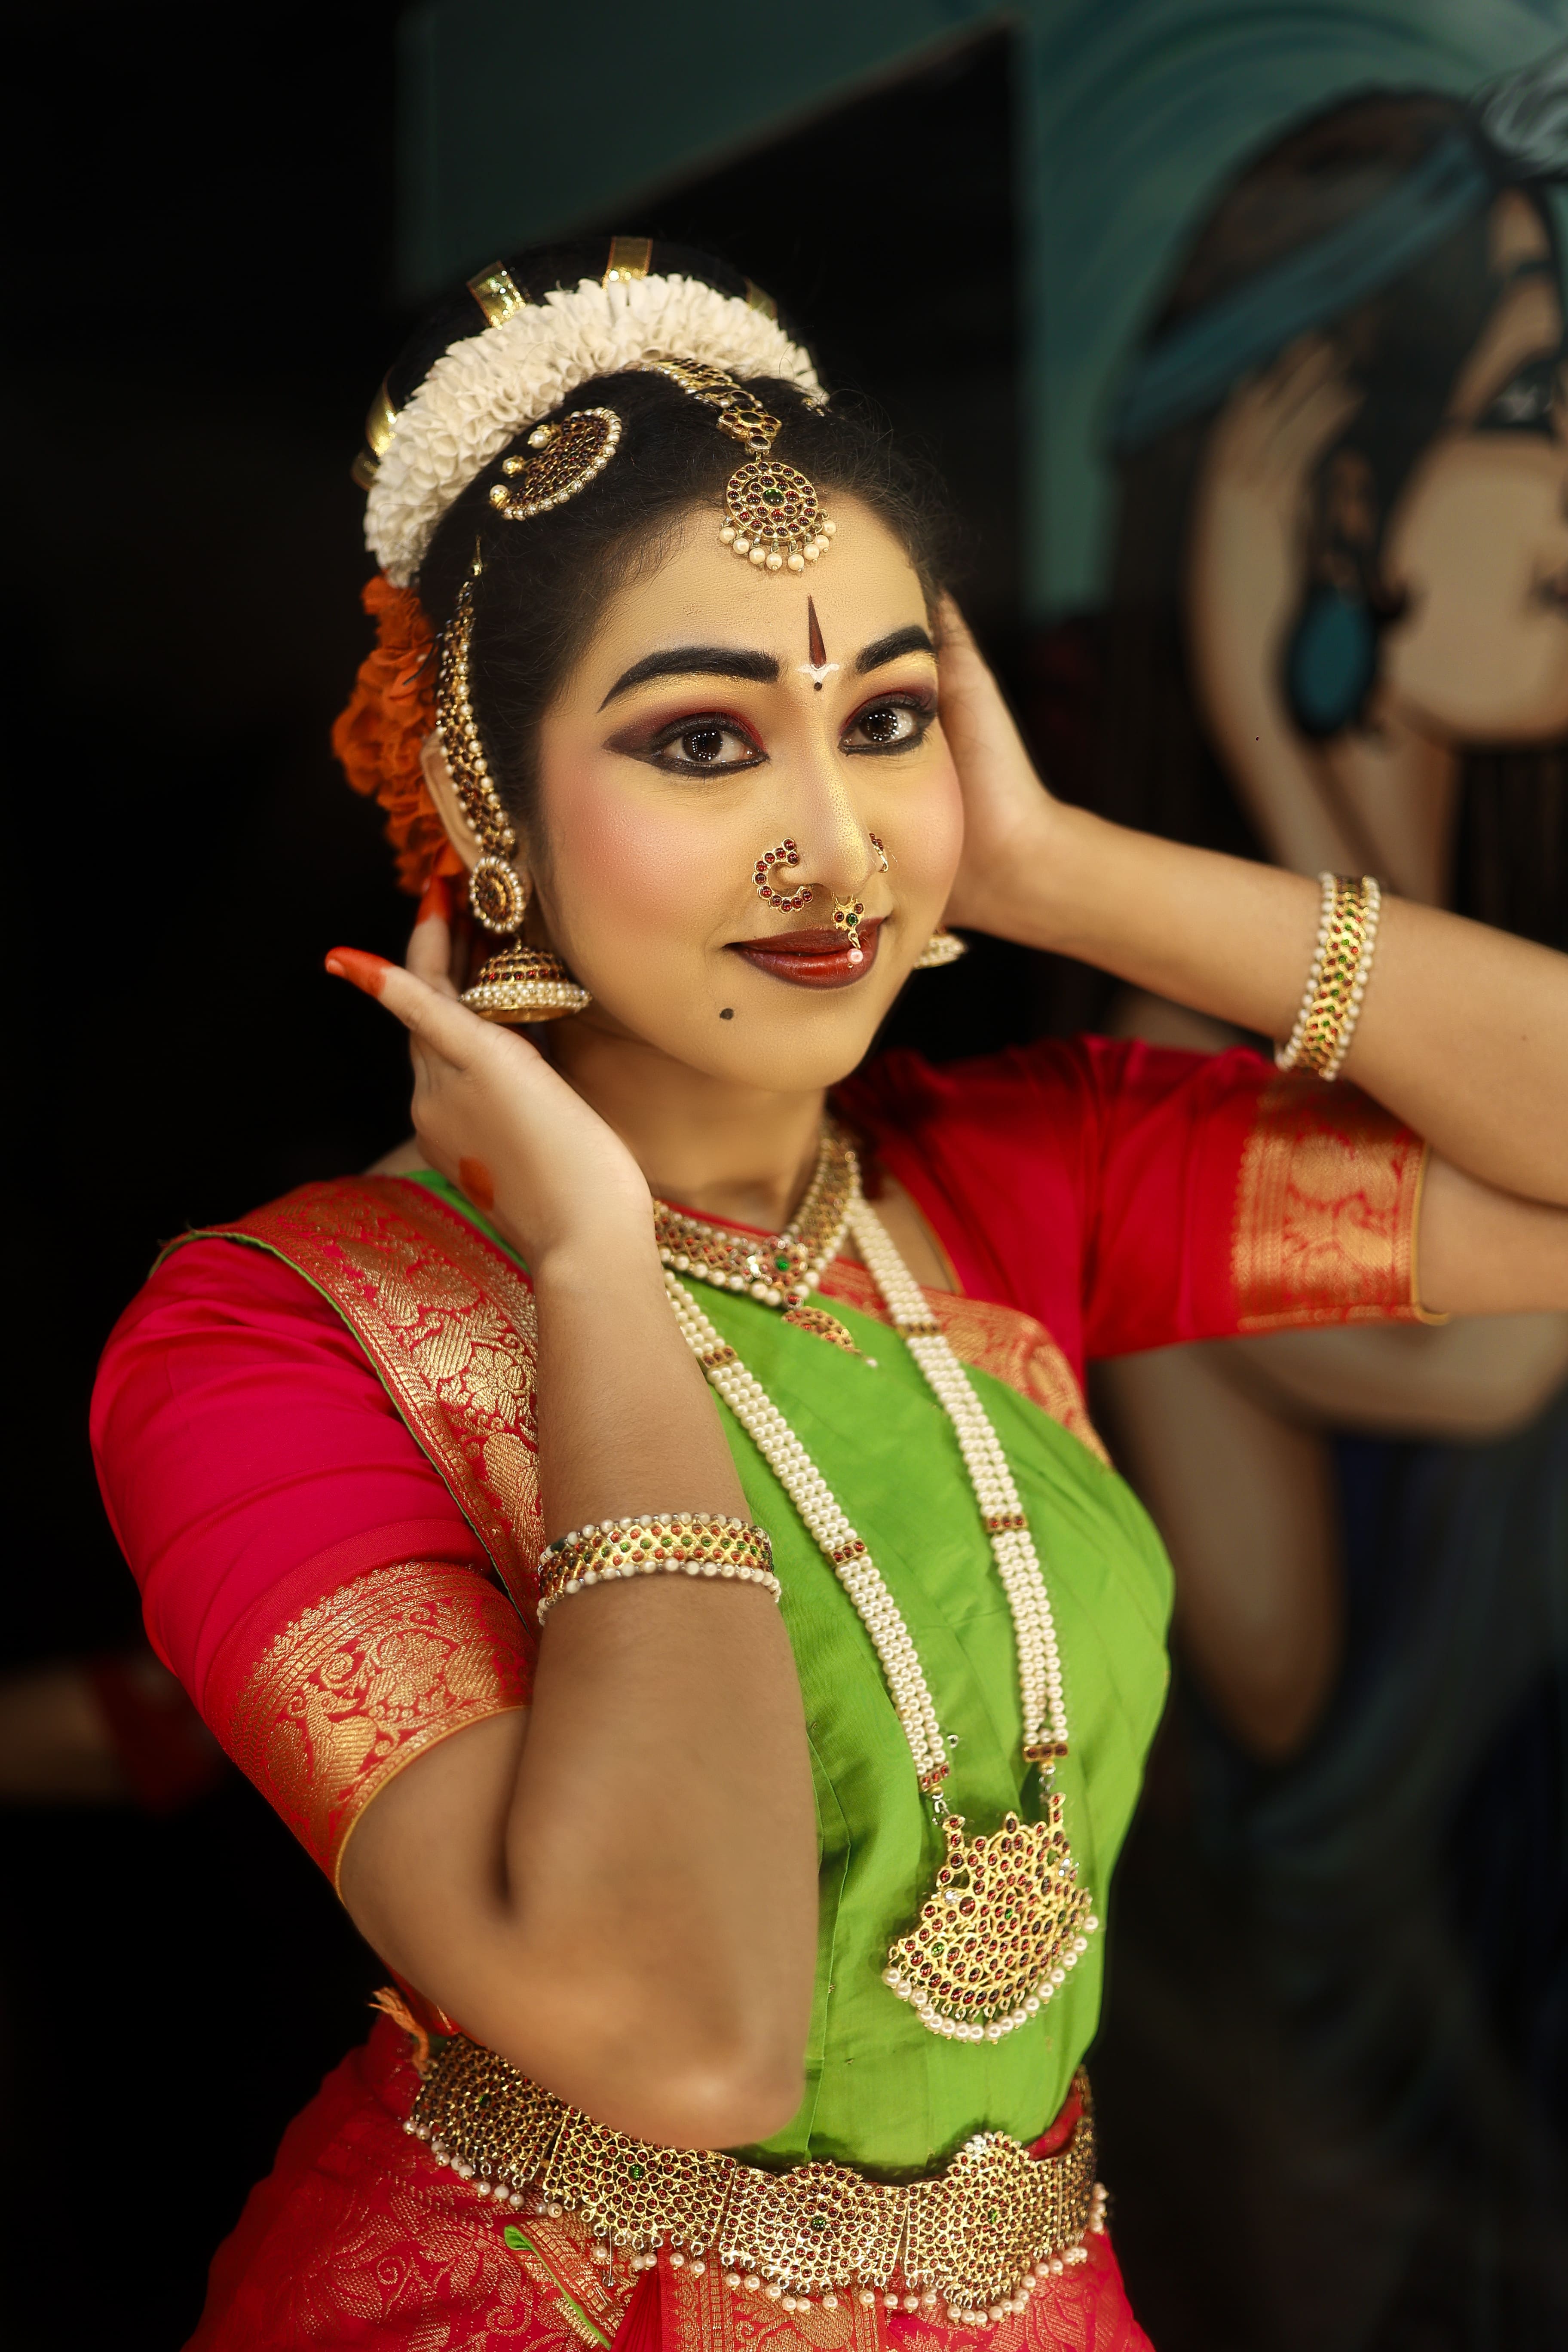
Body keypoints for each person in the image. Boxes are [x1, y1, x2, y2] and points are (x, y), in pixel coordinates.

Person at [91, 237, 1568, 2352]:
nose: (836, 849)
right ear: (488, 806)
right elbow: (678, 2041)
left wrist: (1058, 865)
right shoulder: (275, 1338)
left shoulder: (1001, 1175)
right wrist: (597, 1267)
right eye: (706, 743)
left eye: (883, 722)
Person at [1057, 78, 1568, 2344]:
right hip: (1401, 2102)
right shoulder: (1167, 1087)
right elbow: (1503, 1352)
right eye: (1535, 402)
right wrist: (1285, 771)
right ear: (1334, 508)